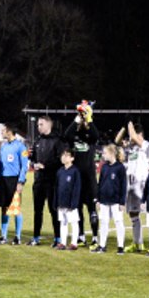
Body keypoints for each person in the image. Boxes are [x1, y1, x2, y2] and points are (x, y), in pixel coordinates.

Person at [63, 103, 100, 246]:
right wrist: (76, 119)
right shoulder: (74, 136)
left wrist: (89, 119)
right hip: (77, 179)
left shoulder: (90, 137)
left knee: (92, 209)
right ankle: (81, 235)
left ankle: (95, 237)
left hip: (89, 178)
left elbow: (95, 135)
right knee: (77, 209)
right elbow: (67, 135)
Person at [29, 115, 63, 246]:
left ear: (49, 125)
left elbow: (60, 160)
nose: (38, 127)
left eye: (41, 124)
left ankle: (57, 238)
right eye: (38, 125)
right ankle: (36, 237)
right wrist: (33, 161)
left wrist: (45, 166)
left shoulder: (57, 141)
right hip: (38, 180)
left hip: (52, 181)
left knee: (53, 210)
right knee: (37, 210)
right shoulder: (37, 140)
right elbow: (33, 158)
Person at [118, 122, 149, 253]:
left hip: (141, 184)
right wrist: (124, 128)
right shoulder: (130, 147)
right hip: (130, 184)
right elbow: (117, 140)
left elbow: (133, 135)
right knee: (133, 215)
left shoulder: (146, 145)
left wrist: (129, 123)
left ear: (140, 135)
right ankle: (138, 243)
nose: (130, 138)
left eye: (133, 136)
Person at [0, 123, 28, 244]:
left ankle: (17, 237)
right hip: (3, 180)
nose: (1, 133)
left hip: (14, 180)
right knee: (4, 208)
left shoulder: (21, 147)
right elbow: (0, 165)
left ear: (9, 132)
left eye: (3, 131)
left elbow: (24, 166)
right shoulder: (3, 146)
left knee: (15, 208)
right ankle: (3, 236)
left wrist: (21, 181)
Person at [95, 144, 127, 253]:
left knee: (118, 222)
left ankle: (120, 246)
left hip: (116, 200)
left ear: (112, 153)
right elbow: (100, 183)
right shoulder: (104, 166)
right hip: (104, 199)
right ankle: (102, 245)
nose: (103, 155)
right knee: (104, 222)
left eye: (105, 153)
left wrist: (122, 202)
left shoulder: (120, 167)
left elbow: (124, 185)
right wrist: (98, 199)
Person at [54, 149, 82, 250]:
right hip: (61, 202)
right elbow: (56, 187)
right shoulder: (60, 171)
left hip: (71, 203)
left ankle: (74, 243)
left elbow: (77, 188)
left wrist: (74, 203)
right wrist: (55, 201)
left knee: (74, 222)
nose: (64, 157)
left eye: (66, 155)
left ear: (72, 158)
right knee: (63, 222)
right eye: (63, 155)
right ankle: (63, 242)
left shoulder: (75, 171)